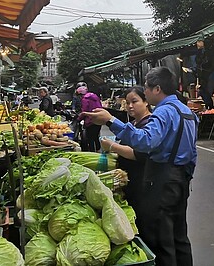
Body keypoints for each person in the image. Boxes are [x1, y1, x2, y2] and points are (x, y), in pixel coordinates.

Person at [84, 67, 198, 266]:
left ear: (157, 89)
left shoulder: (164, 112)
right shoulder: (186, 111)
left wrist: (112, 121)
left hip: (163, 180)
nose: (144, 92)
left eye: (146, 88)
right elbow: (193, 151)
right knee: (179, 235)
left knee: (162, 238)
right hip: (181, 179)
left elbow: (145, 141)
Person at [100, 86, 152, 234]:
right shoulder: (134, 124)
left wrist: (112, 146)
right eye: (127, 102)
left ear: (146, 102)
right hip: (130, 179)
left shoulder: (148, 125)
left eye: (134, 101)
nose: (130, 106)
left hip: (141, 180)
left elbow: (138, 154)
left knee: (141, 220)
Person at [76, 86, 103, 152]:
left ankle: (92, 151)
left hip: (90, 120)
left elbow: (84, 112)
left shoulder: (85, 99)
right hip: (99, 119)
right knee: (96, 136)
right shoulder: (95, 97)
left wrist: (78, 119)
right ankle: (98, 150)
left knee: (90, 138)